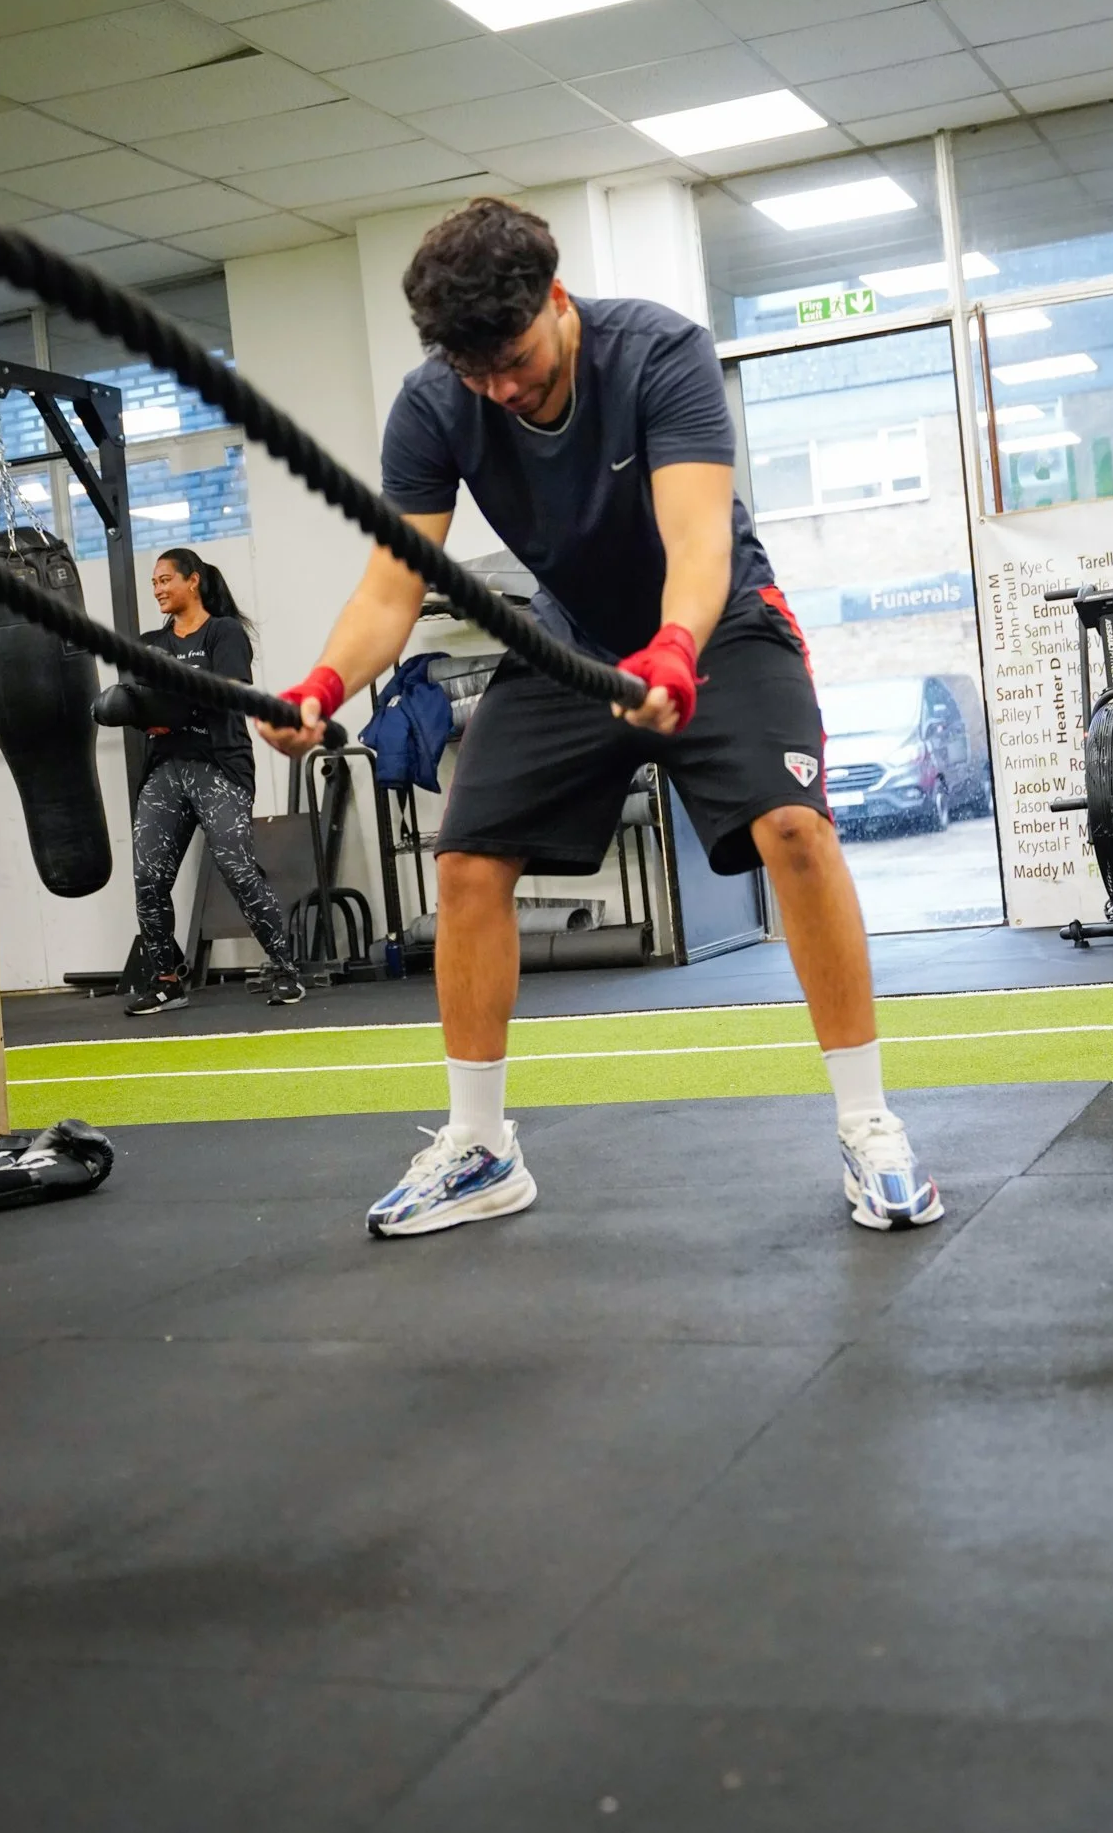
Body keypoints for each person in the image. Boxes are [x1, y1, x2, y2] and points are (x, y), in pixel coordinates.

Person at [259, 199, 941, 1235]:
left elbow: (697, 541)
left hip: (716, 624)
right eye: (475, 371)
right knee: (466, 861)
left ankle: (868, 1124)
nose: (500, 387)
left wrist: (674, 646)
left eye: (515, 359)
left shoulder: (659, 354)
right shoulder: (434, 403)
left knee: (794, 829)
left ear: (558, 300)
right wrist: (321, 687)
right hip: (569, 644)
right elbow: (392, 588)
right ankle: (480, 1148)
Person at [126, 548, 303, 1013]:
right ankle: (167, 980)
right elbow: (141, 703)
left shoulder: (224, 633)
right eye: (154, 582)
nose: (158, 589)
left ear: (194, 581)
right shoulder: (150, 643)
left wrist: (173, 705)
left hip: (219, 765)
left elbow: (229, 694)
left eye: (166, 579)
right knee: (148, 876)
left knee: (236, 868)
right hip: (165, 769)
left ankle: (286, 969)